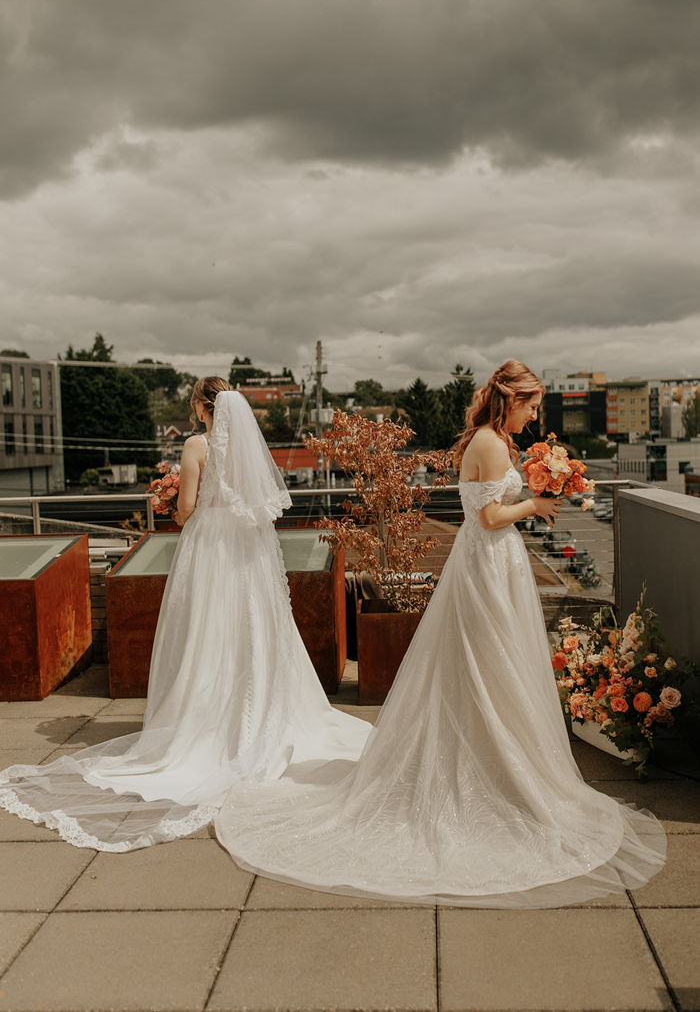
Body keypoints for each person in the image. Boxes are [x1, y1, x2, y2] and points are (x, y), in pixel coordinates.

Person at [215, 361, 666, 908]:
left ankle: (492, 754)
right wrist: (537, 504)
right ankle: (494, 766)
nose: (534, 416)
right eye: (530, 406)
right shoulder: (493, 445)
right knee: (490, 662)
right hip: (490, 560)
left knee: (486, 664)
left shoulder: (489, 438)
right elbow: (490, 518)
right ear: (510, 400)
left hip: (487, 565)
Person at [0, 378, 371, 850]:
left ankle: (208, 716)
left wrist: (170, 501)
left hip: (211, 551)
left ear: (202, 406)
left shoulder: (197, 445)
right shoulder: (247, 449)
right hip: (247, 553)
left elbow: (189, 509)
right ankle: (256, 716)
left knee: (207, 632)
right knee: (252, 629)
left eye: (193, 403)